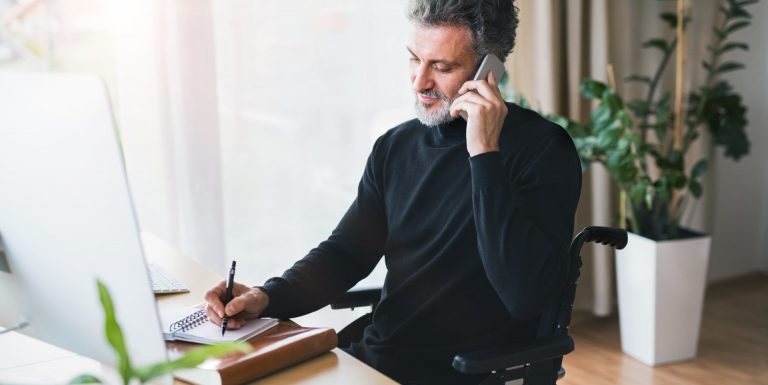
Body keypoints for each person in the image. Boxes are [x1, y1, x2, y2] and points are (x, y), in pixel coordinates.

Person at [204, 0, 581, 383]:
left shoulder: (543, 150)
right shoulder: (395, 147)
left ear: (490, 69)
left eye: (442, 66)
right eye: (414, 59)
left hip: (467, 373)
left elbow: (525, 297)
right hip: (376, 359)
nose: (419, 82)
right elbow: (346, 253)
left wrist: (483, 154)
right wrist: (267, 297)